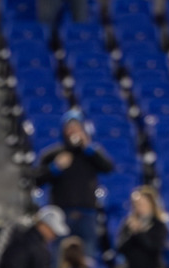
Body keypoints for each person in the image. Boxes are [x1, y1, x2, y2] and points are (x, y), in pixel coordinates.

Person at [35, 109, 114, 257]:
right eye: (70, 128)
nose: (73, 131)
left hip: (87, 212)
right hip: (62, 214)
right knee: (59, 256)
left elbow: (108, 167)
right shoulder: (53, 154)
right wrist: (55, 168)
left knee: (88, 257)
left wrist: (88, 148)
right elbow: (37, 180)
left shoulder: (91, 154)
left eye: (77, 127)